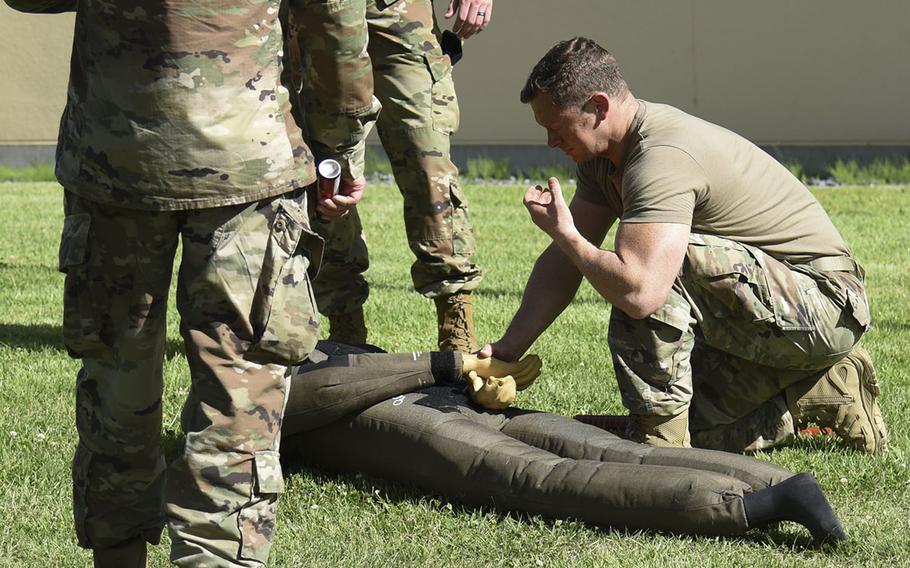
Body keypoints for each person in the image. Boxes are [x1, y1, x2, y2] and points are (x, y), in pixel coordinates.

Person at [7, 0, 379, 565]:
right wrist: (337, 146)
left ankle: (117, 552)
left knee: (118, 380)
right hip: (246, 161)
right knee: (240, 388)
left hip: (117, 154)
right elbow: (335, 19)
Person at [480, 37, 887, 454]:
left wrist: (569, 237)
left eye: (557, 127)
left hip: (826, 302)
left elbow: (640, 292)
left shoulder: (660, 156)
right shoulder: (603, 158)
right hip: (775, 306)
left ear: (598, 107)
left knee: (644, 268)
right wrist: (508, 350)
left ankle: (659, 443)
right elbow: (564, 265)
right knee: (706, 432)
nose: (551, 142)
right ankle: (826, 387)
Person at [278, 341, 847, 543]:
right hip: (416, 418)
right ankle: (767, 498)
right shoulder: (249, 366)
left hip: (445, 412)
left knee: (600, 462)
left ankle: (771, 493)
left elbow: (362, 374)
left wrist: (467, 379)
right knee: (570, 470)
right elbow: (305, 399)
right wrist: (446, 364)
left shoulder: (301, 339)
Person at [303, 0, 488, 351]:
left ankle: (456, 326)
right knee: (329, 166)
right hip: (318, 9)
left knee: (428, 157)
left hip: (397, 11)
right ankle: (344, 327)